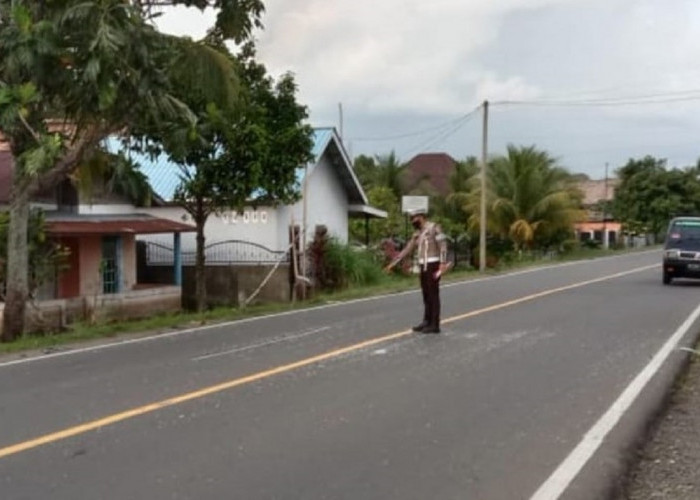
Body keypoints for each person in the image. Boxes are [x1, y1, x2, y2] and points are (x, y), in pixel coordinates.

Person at [385, 208, 449, 333]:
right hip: (422, 265)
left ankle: (434, 324)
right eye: (412, 219)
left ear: (422, 217)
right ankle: (426, 321)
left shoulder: (434, 228)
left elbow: (443, 245)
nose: (413, 221)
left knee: (433, 294)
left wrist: (442, 262)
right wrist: (394, 262)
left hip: (433, 264)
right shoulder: (417, 233)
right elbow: (408, 249)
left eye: (415, 218)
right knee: (426, 294)